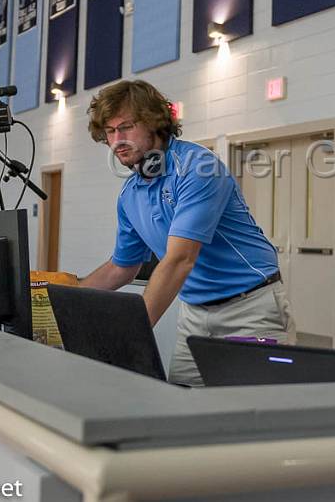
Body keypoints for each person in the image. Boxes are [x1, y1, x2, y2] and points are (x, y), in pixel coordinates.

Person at [81, 79, 295, 385]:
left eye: (126, 127)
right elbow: (120, 268)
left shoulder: (198, 168)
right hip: (195, 314)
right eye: (110, 132)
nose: (117, 140)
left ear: (155, 123)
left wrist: (129, 336)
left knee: (251, 416)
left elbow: (181, 260)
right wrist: (62, 303)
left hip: (250, 309)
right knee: (182, 406)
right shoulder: (130, 194)